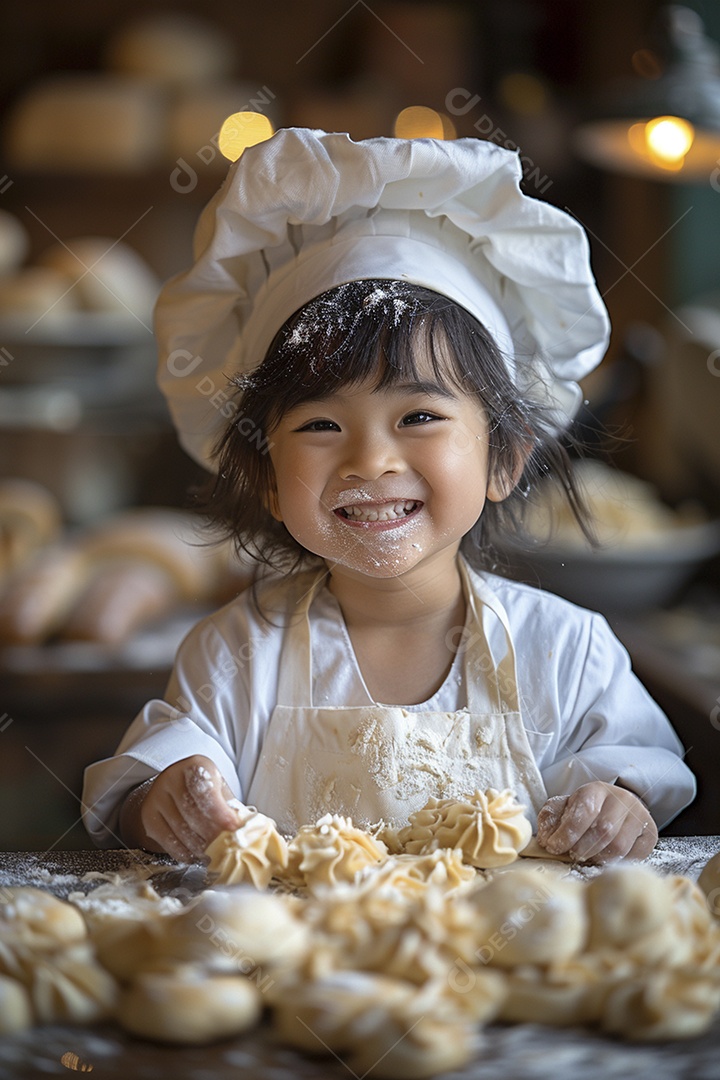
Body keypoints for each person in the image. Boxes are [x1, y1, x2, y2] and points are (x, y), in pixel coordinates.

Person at [81, 128, 695, 865]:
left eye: (419, 416)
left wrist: (618, 808)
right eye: (320, 424)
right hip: (297, 977)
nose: (370, 459)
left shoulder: (567, 654)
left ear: (506, 458)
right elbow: (152, 799)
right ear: (269, 479)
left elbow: (640, 781)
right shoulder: (238, 657)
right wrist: (167, 803)